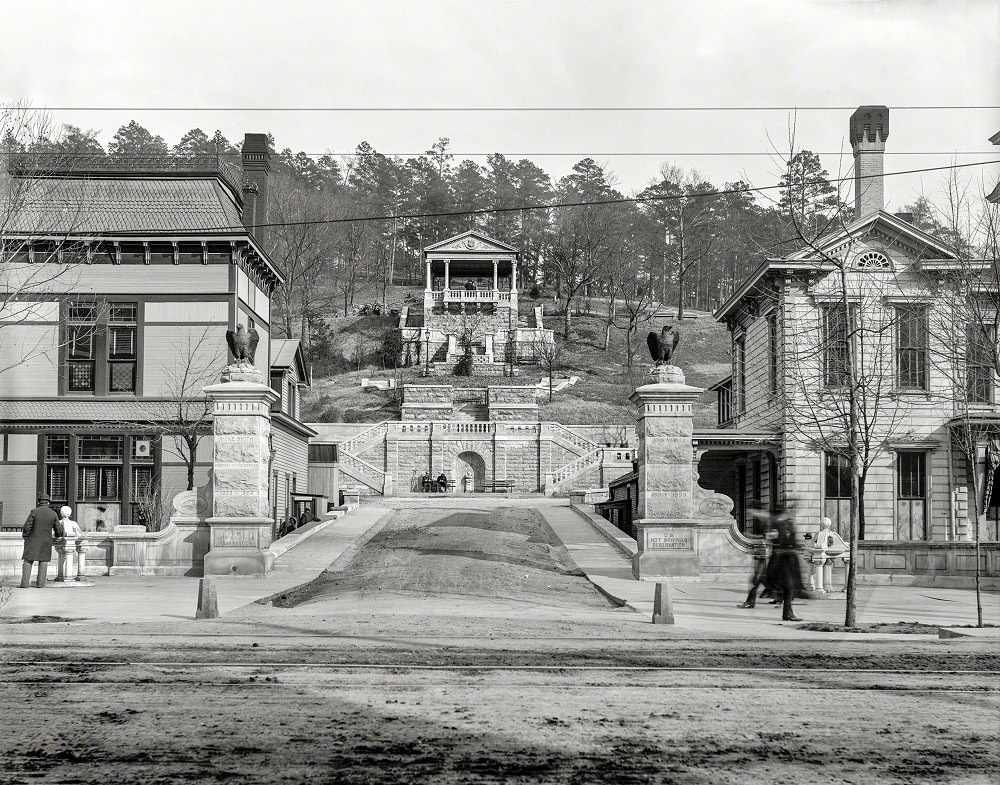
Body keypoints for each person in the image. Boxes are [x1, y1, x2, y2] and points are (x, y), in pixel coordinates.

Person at [764, 509, 806, 621]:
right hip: (782, 561)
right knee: (789, 586)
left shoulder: (787, 525)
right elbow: (775, 542)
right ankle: (787, 613)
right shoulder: (778, 526)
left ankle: (787, 613)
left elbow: (790, 542)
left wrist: (797, 546)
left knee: (789, 588)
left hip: (788, 560)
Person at [20, 493, 62, 589]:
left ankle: (24, 584)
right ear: (48, 502)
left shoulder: (34, 512)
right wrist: (58, 534)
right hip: (46, 541)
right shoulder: (53, 514)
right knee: (43, 561)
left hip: (32, 540)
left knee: (28, 560)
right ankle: (40, 584)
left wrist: (26, 537)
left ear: (39, 502)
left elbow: (27, 527)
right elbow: (58, 530)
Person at [738, 508, 772, 609]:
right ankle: (779, 595)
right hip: (761, 552)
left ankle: (750, 602)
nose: (749, 514)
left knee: (756, 579)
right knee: (760, 578)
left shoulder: (766, 522)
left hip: (763, 553)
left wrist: (752, 536)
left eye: (751, 511)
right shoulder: (760, 522)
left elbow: (767, 537)